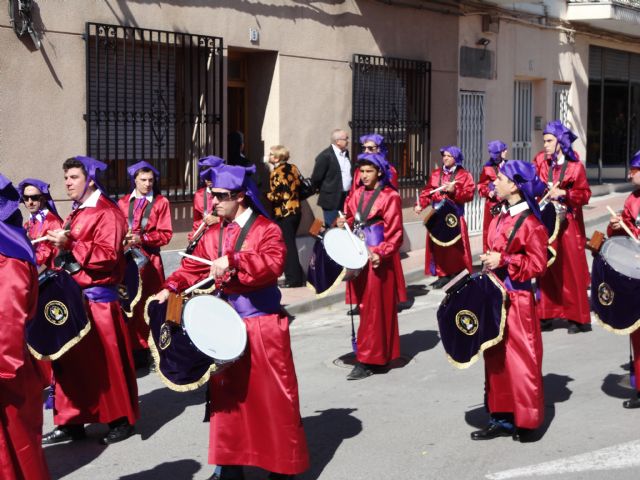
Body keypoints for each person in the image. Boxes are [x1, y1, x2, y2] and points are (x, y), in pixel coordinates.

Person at [155, 162, 309, 480]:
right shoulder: (215, 232)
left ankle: (282, 466)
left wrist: (236, 260)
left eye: (221, 196)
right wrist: (170, 287)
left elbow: (272, 264)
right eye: (213, 194)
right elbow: (193, 268)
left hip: (262, 324)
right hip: (224, 327)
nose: (214, 202)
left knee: (274, 396)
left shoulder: (267, 229)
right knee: (227, 397)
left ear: (240, 196)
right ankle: (228, 465)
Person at [43, 156, 138, 445]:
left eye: (73, 177)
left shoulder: (107, 212)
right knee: (71, 362)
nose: (67, 183)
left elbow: (108, 257)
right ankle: (71, 421)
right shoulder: (77, 211)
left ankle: (120, 419)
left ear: (90, 179)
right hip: (74, 299)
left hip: (98, 301)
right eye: (66, 178)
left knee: (107, 364)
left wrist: (70, 243)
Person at [474, 160, 549, 440]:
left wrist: (504, 259)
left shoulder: (531, 223)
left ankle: (527, 421)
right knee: (495, 356)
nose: (495, 181)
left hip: (517, 299)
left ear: (515, 185)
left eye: (501, 178)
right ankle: (500, 416)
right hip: (495, 296)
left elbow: (538, 265)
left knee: (521, 360)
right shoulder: (498, 216)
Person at [0, 174, 51, 479]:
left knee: (18, 450)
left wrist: (3, 368)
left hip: (10, 371)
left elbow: (8, 318)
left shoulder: (8, 255)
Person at [337, 153, 403, 380]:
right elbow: (349, 218)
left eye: (369, 171)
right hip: (357, 254)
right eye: (362, 171)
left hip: (376, 256)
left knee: (376, 308)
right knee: (364, 306)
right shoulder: (355, 195)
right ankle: (374, 355)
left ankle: (367, 359)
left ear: (380, 173)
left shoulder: (390, 196)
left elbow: (395, 234)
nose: (364, 176)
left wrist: (381, 253)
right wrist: (342, 222)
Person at [532, 120, 592, 334]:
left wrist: (565, 194)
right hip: (546, 222)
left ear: (560, 143)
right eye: (544, 141)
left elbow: (585, 195)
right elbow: (532, 184)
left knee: (570, 270)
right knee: (546, 267)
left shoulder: (575, 167)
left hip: (568, 224)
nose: (545, 145)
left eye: (549, 141)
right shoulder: (540, 161)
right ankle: (546, 313)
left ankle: (577, 318)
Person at [117, 161, 173, 364]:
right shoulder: (123, 202)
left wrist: (143, 239)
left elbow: (166, 234)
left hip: (150, 263)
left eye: (151, 180)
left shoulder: (161, 202)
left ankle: (150, 349)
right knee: (129, 303)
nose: (148, 184)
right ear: (134, 180)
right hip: (128, 261)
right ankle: (132, 349)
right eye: (143, 180)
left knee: (149, 305)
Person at [347, 133, 407, 312]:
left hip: (379, 235)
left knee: (380, 281)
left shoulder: (389, 173)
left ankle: (389, 299)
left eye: (371, 149)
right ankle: (360, 302)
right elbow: (354, 196)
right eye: (364, 148)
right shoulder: (361, 172)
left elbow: (387, 197)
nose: (367, 151)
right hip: (360, 228)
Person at [607, 150, 640, 409]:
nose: (630, 174)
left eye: (634, 169)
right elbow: (623, 231)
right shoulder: (632, 199)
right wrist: (616, 225)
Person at [415, 146, 474, 289]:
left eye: (449, 156)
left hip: (454, 217)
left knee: (455, 249)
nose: (445, 158)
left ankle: (457, 274)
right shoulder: (436, 174)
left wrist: (455, 191)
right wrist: (420, 205)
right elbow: (427, 192)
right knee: (438, 247)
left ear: (456, 158)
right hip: (438, 217)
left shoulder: (464, 175)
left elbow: (469, 195)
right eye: (444, 155)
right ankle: (442, 275)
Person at [266, 145, 304, 288]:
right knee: (291, 244)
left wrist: (265, 195)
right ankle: (298, 275)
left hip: (283, 213)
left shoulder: (276, 172)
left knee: (287, 246)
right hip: (296, 211)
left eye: (270, 154)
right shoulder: (293, 167)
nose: (269, 157)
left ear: (276, 158)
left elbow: (278, 195)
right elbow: (299, 185)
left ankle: (293, 279)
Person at [18, 178, 63, 270]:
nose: (30, 202)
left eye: (34, 197)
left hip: (54, 277)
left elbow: (54, 257)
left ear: (43, 199)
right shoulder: (27, 224)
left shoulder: (53, 222)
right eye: (26, 198)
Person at [310, 128, 352, 227]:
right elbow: (316, 178)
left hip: (345, 197)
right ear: (338, 141)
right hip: (331, 199)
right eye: (346, 139)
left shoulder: (346, 154)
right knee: (332, 227)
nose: (348, 141)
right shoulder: (325, 156)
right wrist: (324, 190)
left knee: (344, 227)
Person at [478, 141, 508, 252]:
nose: (505, 152)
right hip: (493, 205)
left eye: (505, 150)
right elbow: (481, 185)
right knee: (490, 231)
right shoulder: (487, 168)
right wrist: (488, 192)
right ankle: (488, 258)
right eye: (503, 151)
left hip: (507, 204)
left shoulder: (509, 165)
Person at [189, 156, 224, 243]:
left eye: (211, 176)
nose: (208, 180)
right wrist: (194, 235)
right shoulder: (199, 194)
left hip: (223, 238)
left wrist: (217, 220)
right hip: (205, 240)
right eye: (205, 177)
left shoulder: (227, 193)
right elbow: (196, 220)